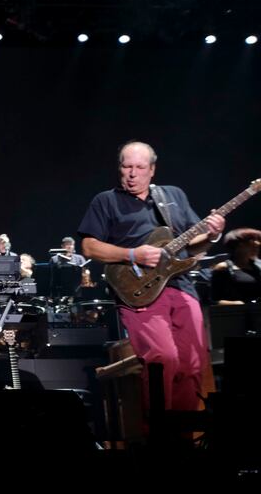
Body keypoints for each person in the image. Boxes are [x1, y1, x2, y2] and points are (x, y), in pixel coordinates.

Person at [78, 141, 224, 419]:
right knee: (162, 358)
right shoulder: (106, 201)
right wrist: (133, 254)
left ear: (152, 170)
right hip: (138, 290)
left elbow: (192, 246)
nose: (132, 173)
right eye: (127, 167)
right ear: (119, 168)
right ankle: (156, 434)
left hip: (181, 286)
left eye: (139, 167)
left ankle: (182, 436)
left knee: (193, 364)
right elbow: (89, 247)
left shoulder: (173, 196)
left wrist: (213, 235)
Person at [211, 227, 261, 304]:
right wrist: (236, 304)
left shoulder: (257, 267)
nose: (257, 244)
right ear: (239, 244)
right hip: (237, 311)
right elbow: (213, 300)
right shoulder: (223, 268)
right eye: (252, 240)